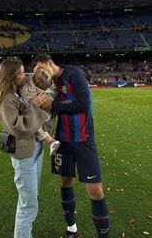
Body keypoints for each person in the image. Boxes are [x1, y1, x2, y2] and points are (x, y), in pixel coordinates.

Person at [31, 54, 109, 238]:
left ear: (49, 62)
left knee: (95, 191)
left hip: (83, 139)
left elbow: (82, 104)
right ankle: (71, 229)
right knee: (65, 182)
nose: (40, 73)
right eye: (36, 72)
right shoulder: (50, 84)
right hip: (62, 141)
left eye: (41, 68)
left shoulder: (73, 73)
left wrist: (53, 104)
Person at [0, 57, 48, 238]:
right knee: (28, 205)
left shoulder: (17, 93)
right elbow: (19, 127)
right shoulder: (7, 98)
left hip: (34, 151)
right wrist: (35, 106)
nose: (24, 76)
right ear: (11, 75)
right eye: (21, 72)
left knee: (29, 202)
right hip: (24, 157)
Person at [20, 68, 60, 156]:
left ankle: (51, 140)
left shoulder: (30, 90)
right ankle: (51, 140)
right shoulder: (27, 89)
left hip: (45, 116)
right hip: (45, 117)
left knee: (31, 120)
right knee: (32, 120)